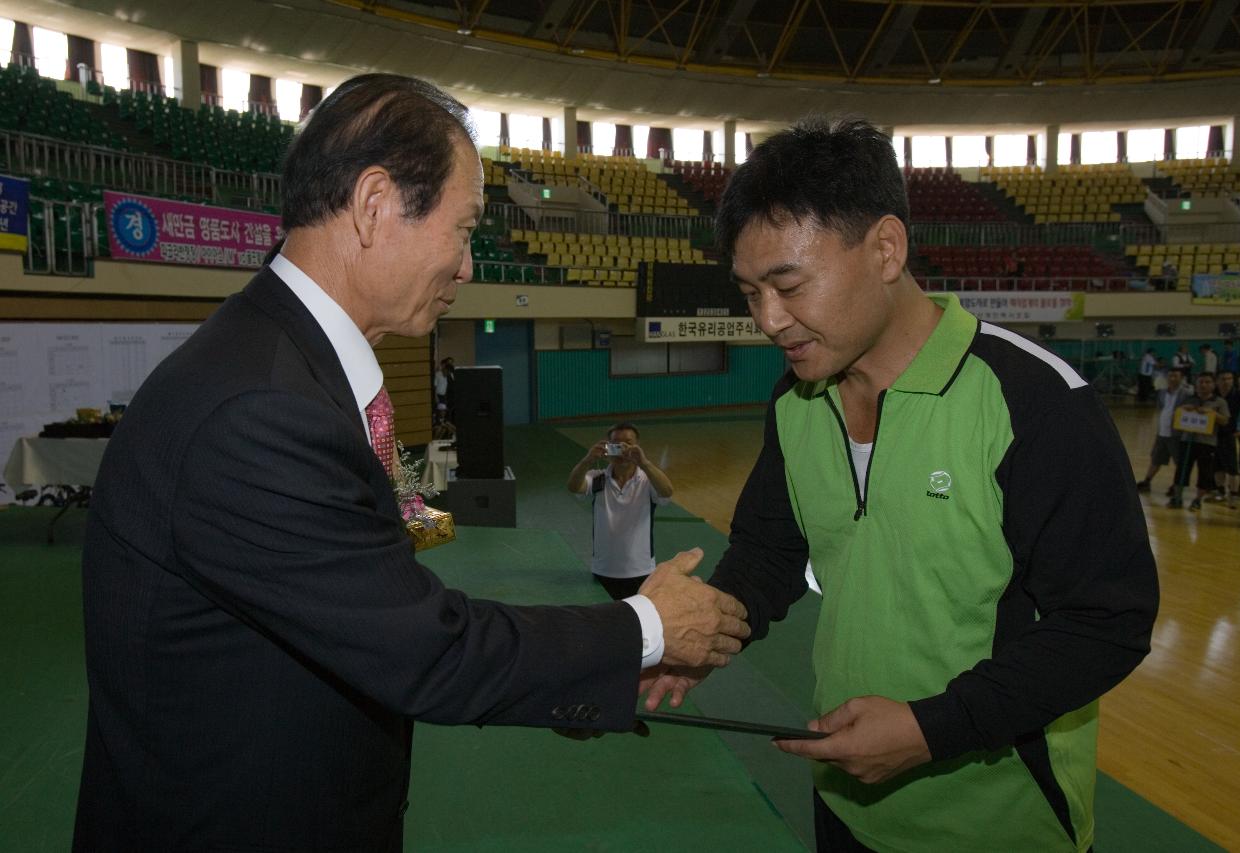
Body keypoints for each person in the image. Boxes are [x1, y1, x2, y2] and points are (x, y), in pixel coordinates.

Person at [73, 74, 750, 851]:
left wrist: (568, 674)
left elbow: (364, 615)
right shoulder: (260, 412)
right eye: (462, 230)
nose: (467, 267)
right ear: (374, 206)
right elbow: (422, 647)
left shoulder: (279, 369)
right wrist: (647, 628)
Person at [643, 119, 1158, 853]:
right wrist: (708, 630)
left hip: (998, 824)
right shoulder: (795, 403)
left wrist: (930, 728)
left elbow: (1109, 622)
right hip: (846, 803)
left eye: (789, 285)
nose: (768, 319)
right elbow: (767, 554)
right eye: (751, 292)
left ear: (886, 248)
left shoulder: (1035, 403)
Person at [567, 422, 675, 600]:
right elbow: (573, 486)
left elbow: (667, 491)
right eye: (616, 444)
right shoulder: (597, 478)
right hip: (604, 569)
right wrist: (587, 460)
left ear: (637, 447)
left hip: (641, 570)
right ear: (608, 448)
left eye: (628, 443)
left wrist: (645, 463)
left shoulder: (648, 480)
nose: (622, 449)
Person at [1170, 372, 1229, 511]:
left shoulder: (1219, 402)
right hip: (1187, 439)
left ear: (1213, 385)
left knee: (1204, 472)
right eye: (1200, 382)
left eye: (1207, 382)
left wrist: (1212, 413)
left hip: (1207, 442)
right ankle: (1177, 497)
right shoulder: (1188, 399)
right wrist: (1183, 409)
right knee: (1182, 470)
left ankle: (1197, 499)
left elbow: (1225, 420)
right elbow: (1175, 416)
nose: (1203, 385)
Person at [1136, 366, 1189, 495]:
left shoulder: (1186, 394)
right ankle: (1147, 481)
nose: (1172, 378)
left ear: (1181, 378)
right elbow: (1161, 409)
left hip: (1177, 434)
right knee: (1156, 458)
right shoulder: (1162, 393)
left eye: (1175, 376)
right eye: (1170, 376)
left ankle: (1177, 486)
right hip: (1162, 432)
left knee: (1179, 462)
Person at [1207, 371, 1240, 507]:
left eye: (1229, 378)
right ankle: (1220, 493)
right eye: (1223, 379)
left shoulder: (1238, 395)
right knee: (1217, 466)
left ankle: (1233, 495)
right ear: (1217, 381)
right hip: (1212, 435)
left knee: (1232, 467)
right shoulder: (1213, 395)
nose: (1226, 381)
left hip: (1229, 436)